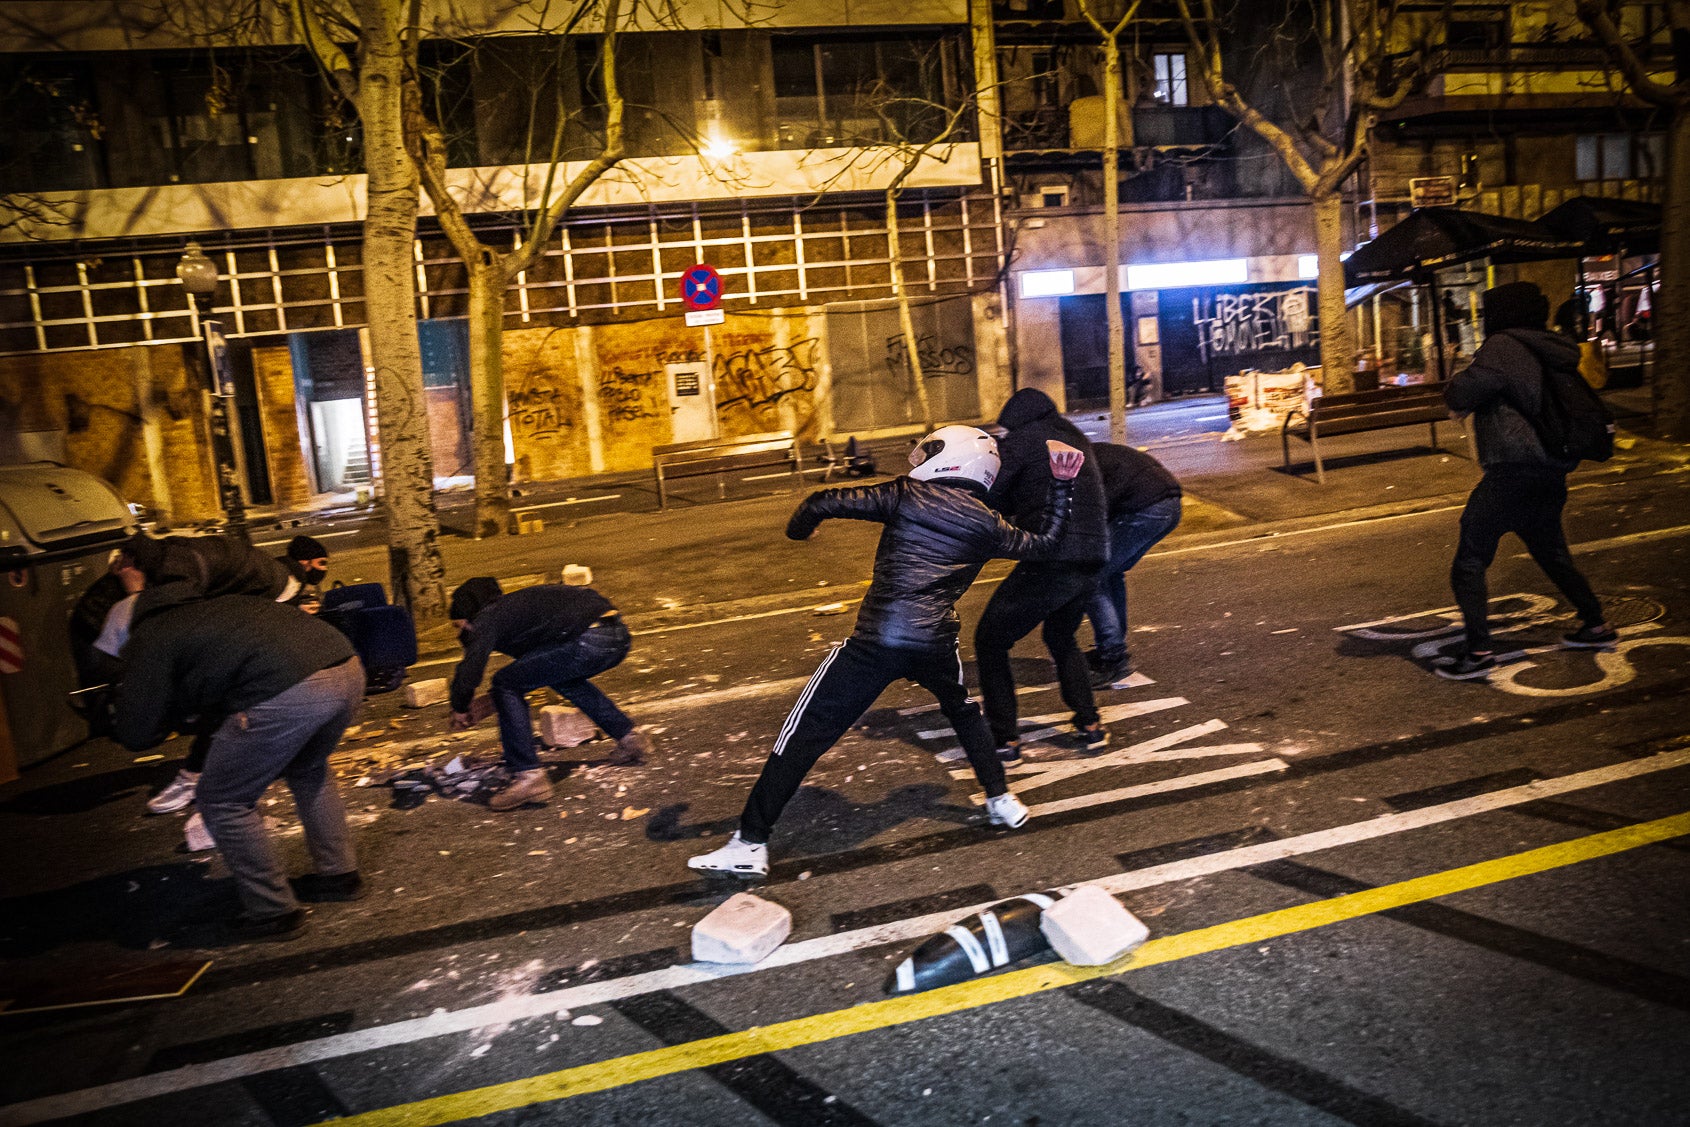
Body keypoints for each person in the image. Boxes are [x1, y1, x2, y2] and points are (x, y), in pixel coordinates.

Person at [688, 427, 1084, 879]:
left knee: (803, 734)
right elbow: (1046, 543)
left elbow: (822, 502)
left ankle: (750, 843)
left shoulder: (906, 495)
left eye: (932, 451)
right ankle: (1001, 800)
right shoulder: (988, 523)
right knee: (963, 712)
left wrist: (800, 532)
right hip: (934, 642)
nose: (921, 461)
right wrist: (1062, 483)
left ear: (949, 459)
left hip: (876, 642)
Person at [112, 589, 367, 939]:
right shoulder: (211, 608)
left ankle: (272, 911)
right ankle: (339, 876)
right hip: (346, 666)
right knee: (308, 769)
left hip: (290, 689)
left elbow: (136, 732)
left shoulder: (151, 636)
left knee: (223, 799)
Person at [1439, 281, 1615, 680]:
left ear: (1502, 315)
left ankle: (1479, 651)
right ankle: (1596, 624)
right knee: (1551, 552)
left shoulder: (1503, 346)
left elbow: (1465, 390)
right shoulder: (1550, 345)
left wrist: (1457, 383)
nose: (1485, 321)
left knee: (1469, 556)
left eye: (1488, 313)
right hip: (1551, 468)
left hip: (1514, 470)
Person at [974, 388, 1110, 760]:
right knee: (1060, 635)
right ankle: (1089, 723)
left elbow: (994, 491)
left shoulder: (1020, 441)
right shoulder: (1075, 434)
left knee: (990, 640)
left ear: (1014, 419)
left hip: (1053, 556)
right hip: (1095, 553)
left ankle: (1005, 737)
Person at [125, 531, 295, 814]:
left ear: (136, 561)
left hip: (267, 592)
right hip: (259, 586)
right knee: (230, 684)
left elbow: (171, 618)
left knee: (221, 691)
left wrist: (134, 592)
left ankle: (196, 774)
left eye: (124, 562)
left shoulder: (176, 568)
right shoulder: (171, 552)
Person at [448, 577, 650, 811]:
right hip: (616, 634)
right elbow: (535, 668)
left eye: (458, 625)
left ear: (470, 613)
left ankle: (529, 777)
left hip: (588, 639)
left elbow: (470, 670)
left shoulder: (488, 616)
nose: (460, 634)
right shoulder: (518, 609)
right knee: (562, 679)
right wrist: (493, 701)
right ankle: (630, 738)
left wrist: (460, 706)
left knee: (504, 682)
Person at [1084, 443, 1183, 688]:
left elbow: (1092, 511)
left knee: (1089, 574)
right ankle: (1112, 644)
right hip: (1170, 503)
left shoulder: (1076, 467)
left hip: (1146, 508)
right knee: (1111, 571)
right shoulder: (1093, 453)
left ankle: (1113, 655)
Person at [279, 534, 330, 610]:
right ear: (305, 562)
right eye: (321, 563)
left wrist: (298, 602)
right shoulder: (291, 581)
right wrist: (298, 609)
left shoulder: (283, 570)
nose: (324, 569)